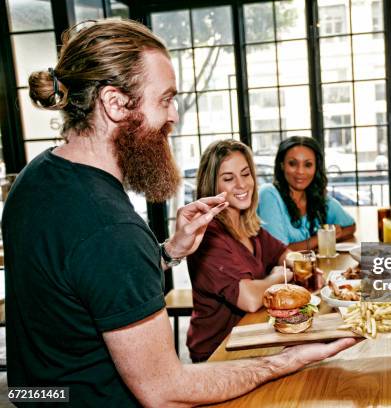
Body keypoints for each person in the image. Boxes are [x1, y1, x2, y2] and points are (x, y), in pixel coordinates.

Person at [1, 19, 355, 407]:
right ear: (115, 104)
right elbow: (166, 392)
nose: (174, 116)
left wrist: (168, 252)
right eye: (165, 100)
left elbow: (80, 283)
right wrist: (283, 361)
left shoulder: (35, 178)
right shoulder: (111, 228)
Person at [187, 139, 323, 362]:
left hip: (254, 334)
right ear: (212, 186)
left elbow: (283, 252)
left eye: (246, 174)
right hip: (219, 351)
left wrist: (302, 267)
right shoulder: (208, 234)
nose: (241, 185)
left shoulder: (249, 225)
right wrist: (279, 277)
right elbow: (249, 298)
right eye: (229, 179)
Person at [257, 136, 356, 250]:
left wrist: (331, 235)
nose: (300, 171)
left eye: (308, 165)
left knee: (374, 258)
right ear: (282, 165)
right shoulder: (268, 194)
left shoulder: (317, 198)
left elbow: (350, 226)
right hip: (282, 268)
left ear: (316, 168)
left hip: (318, 267)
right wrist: (322, 238)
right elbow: (278, 252)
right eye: (292, 163)